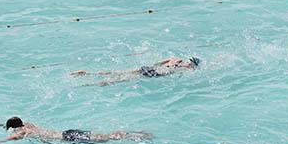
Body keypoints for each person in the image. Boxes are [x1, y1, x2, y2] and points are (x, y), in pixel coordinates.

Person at [0, 116, 152, 144]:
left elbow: (4, 139)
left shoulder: (21, 133)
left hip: (67, 138)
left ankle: (134, 136)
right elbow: (1, 125)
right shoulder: (28, 124)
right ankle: (131, 134)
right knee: (103, 136)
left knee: (105, 139)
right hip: (67, 132)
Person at [71, 57, 201, 84]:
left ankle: (88, 73)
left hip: (149, 68)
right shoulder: (184, 68)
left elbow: (158, 62)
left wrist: (153, 66)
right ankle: (98, 83)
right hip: (153, 73)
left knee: (118, 72)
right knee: (123, 79)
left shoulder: (175, 58)